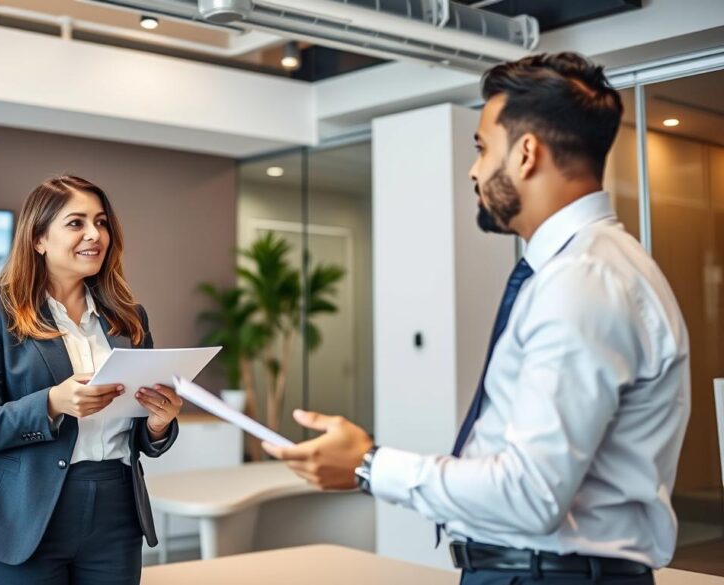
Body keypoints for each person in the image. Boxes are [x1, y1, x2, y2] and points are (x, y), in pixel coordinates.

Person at [263, 52, 691, 584]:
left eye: (483, 148)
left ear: (527, 153)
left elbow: (531, 495)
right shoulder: (588, 270)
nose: (474, 169)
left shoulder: (583, 281)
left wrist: (370, 464)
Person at [0, 175, 184, 585]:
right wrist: (52, 403)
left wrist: (160, 423)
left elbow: (141, 439)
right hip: (24, 515)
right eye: (76, 223)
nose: (95, 234)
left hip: (116, 512)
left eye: (101, 222)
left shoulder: (129, 317)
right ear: (38, 238)